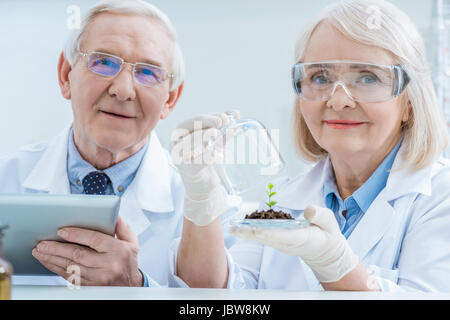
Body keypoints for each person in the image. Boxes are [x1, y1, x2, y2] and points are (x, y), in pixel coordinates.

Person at [168, 0, 450, 292]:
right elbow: (217, 297)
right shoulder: (284, 201)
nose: (339, 100)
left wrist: (334, 264)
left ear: (409, 102)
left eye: (368, 77)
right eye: (320, 77)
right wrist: (201, 202)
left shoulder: (440, 198)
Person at [0, 0, 239, 286]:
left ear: (171, 98)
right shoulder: (8, 179)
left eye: (148, 72)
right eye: (103, 62)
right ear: (66, 75)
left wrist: (136, 288)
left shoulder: (208, 207)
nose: (123, 90)